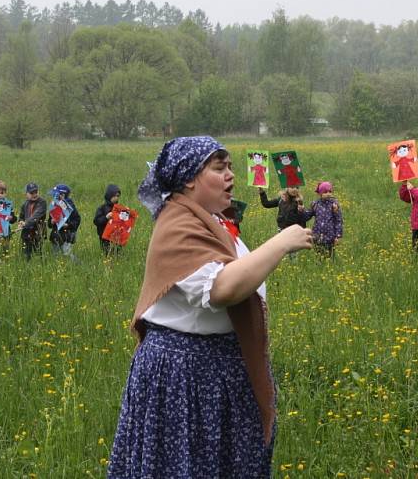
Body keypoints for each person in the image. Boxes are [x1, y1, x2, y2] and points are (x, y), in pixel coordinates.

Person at [109, 137, 313, 478]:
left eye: (231, 166)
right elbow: (223, 289)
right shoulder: (177, 223)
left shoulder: (214, 221)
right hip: (184, 374)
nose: (231, 175)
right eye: (219, 168)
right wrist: (280, 243)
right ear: (189, 178)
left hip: (218, 370)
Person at [305, 181, 343, 257]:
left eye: (330, 191)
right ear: (320, 193)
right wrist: (301, 211)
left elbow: (338, 220)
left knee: (329, 256)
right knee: (318, 256)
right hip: (317, 235)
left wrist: (338, 236)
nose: (328, 193)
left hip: (330, 236)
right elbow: (307, 216)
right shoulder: (315, 204)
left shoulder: (334, 205)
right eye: (325, 192)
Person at [47, 184, 80, 258]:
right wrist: (51, 222)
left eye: (56, 195)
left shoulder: (70, 207)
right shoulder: (54, 205)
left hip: (67, 237)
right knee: (55, 256)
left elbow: (77, 220)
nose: (54, 197)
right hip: (55, 236)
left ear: (63, 195)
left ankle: (76, 266)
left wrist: (68, 225)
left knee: (67, 255)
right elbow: (49, 224)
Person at [19, 183, 46, 260]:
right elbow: (21, 216)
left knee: (38, 253)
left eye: (36, 192)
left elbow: (37, 215)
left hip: (38, 232)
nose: (34, 195)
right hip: (26, 233)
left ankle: (40, 267)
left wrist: (26, 223)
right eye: (31, 193)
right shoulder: (25, 204)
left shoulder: (42, 202)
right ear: (26, 194)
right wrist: (21, 222)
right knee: (26, 254)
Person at [93, 184, 121, 256]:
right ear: (109, 195)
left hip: (116, 237)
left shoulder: (119, 209)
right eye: (115, 196)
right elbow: (96, 221)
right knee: (107, 255)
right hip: (104, 237)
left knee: (117, 254)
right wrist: (106, 218)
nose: (116, 198)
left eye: (118, 196)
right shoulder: (102, 208)